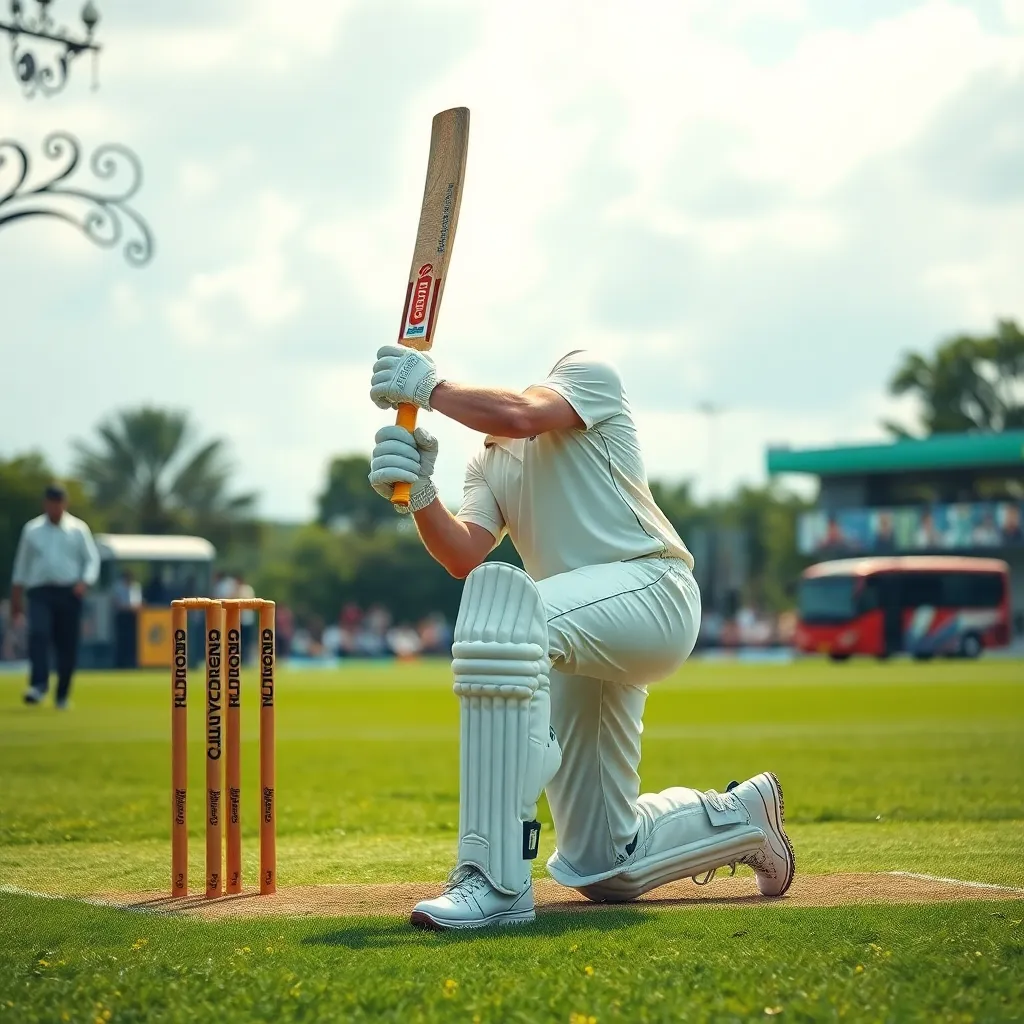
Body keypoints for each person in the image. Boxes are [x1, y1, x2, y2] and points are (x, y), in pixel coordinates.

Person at [367, 345, 794, 931]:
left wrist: (430, 390)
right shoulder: (486, 460)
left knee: (505, 619)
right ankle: (741, 816)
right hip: (575, 633)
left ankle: (493, 879)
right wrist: (421, 494)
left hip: (652, 591)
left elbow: (519, 414)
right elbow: (464, 553)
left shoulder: (587, 375)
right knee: (602, 865)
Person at [10, 483, 100, 709]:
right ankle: (38, 685)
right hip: (40, 591)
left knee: (66, 644)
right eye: (51, 504)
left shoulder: (78, 529)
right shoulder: (32, 530)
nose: (55, 508)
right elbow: (22, 565)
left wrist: (84, 582)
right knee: (39, 634)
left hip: (69, 592)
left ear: (64, 504)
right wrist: (16, 598)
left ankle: (62, 694)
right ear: (45, 504)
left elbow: (91, 560)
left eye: (58, 504)